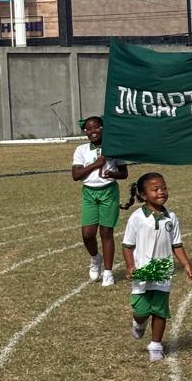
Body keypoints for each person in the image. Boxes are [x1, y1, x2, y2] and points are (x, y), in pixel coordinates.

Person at [121, 172, 192, 362]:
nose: (161, 192)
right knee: (141, 310)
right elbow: (128, 245)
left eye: (163, 188)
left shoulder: (171, 218)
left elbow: (176, 244)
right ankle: (139, 323)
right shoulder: (137, 218)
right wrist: (130, 266)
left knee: (160, 310)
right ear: (143, 195)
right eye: (155, 189)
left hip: (163, 271)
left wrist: (186, 264)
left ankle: (156, 345)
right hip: (142, 272)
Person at [71, 116, 127, 287]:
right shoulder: (81, 150)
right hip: (89, 193)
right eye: (88, 129)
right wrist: (96, 164)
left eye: (96, 128)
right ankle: (96, 258)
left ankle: (108, 272)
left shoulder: (114, 148)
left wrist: (112, 174)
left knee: (106, 232)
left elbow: (124, 173)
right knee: (87, 234)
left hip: (108, 192)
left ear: (104, 128)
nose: (93, 131)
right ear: (85, 132)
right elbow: (76, 175)